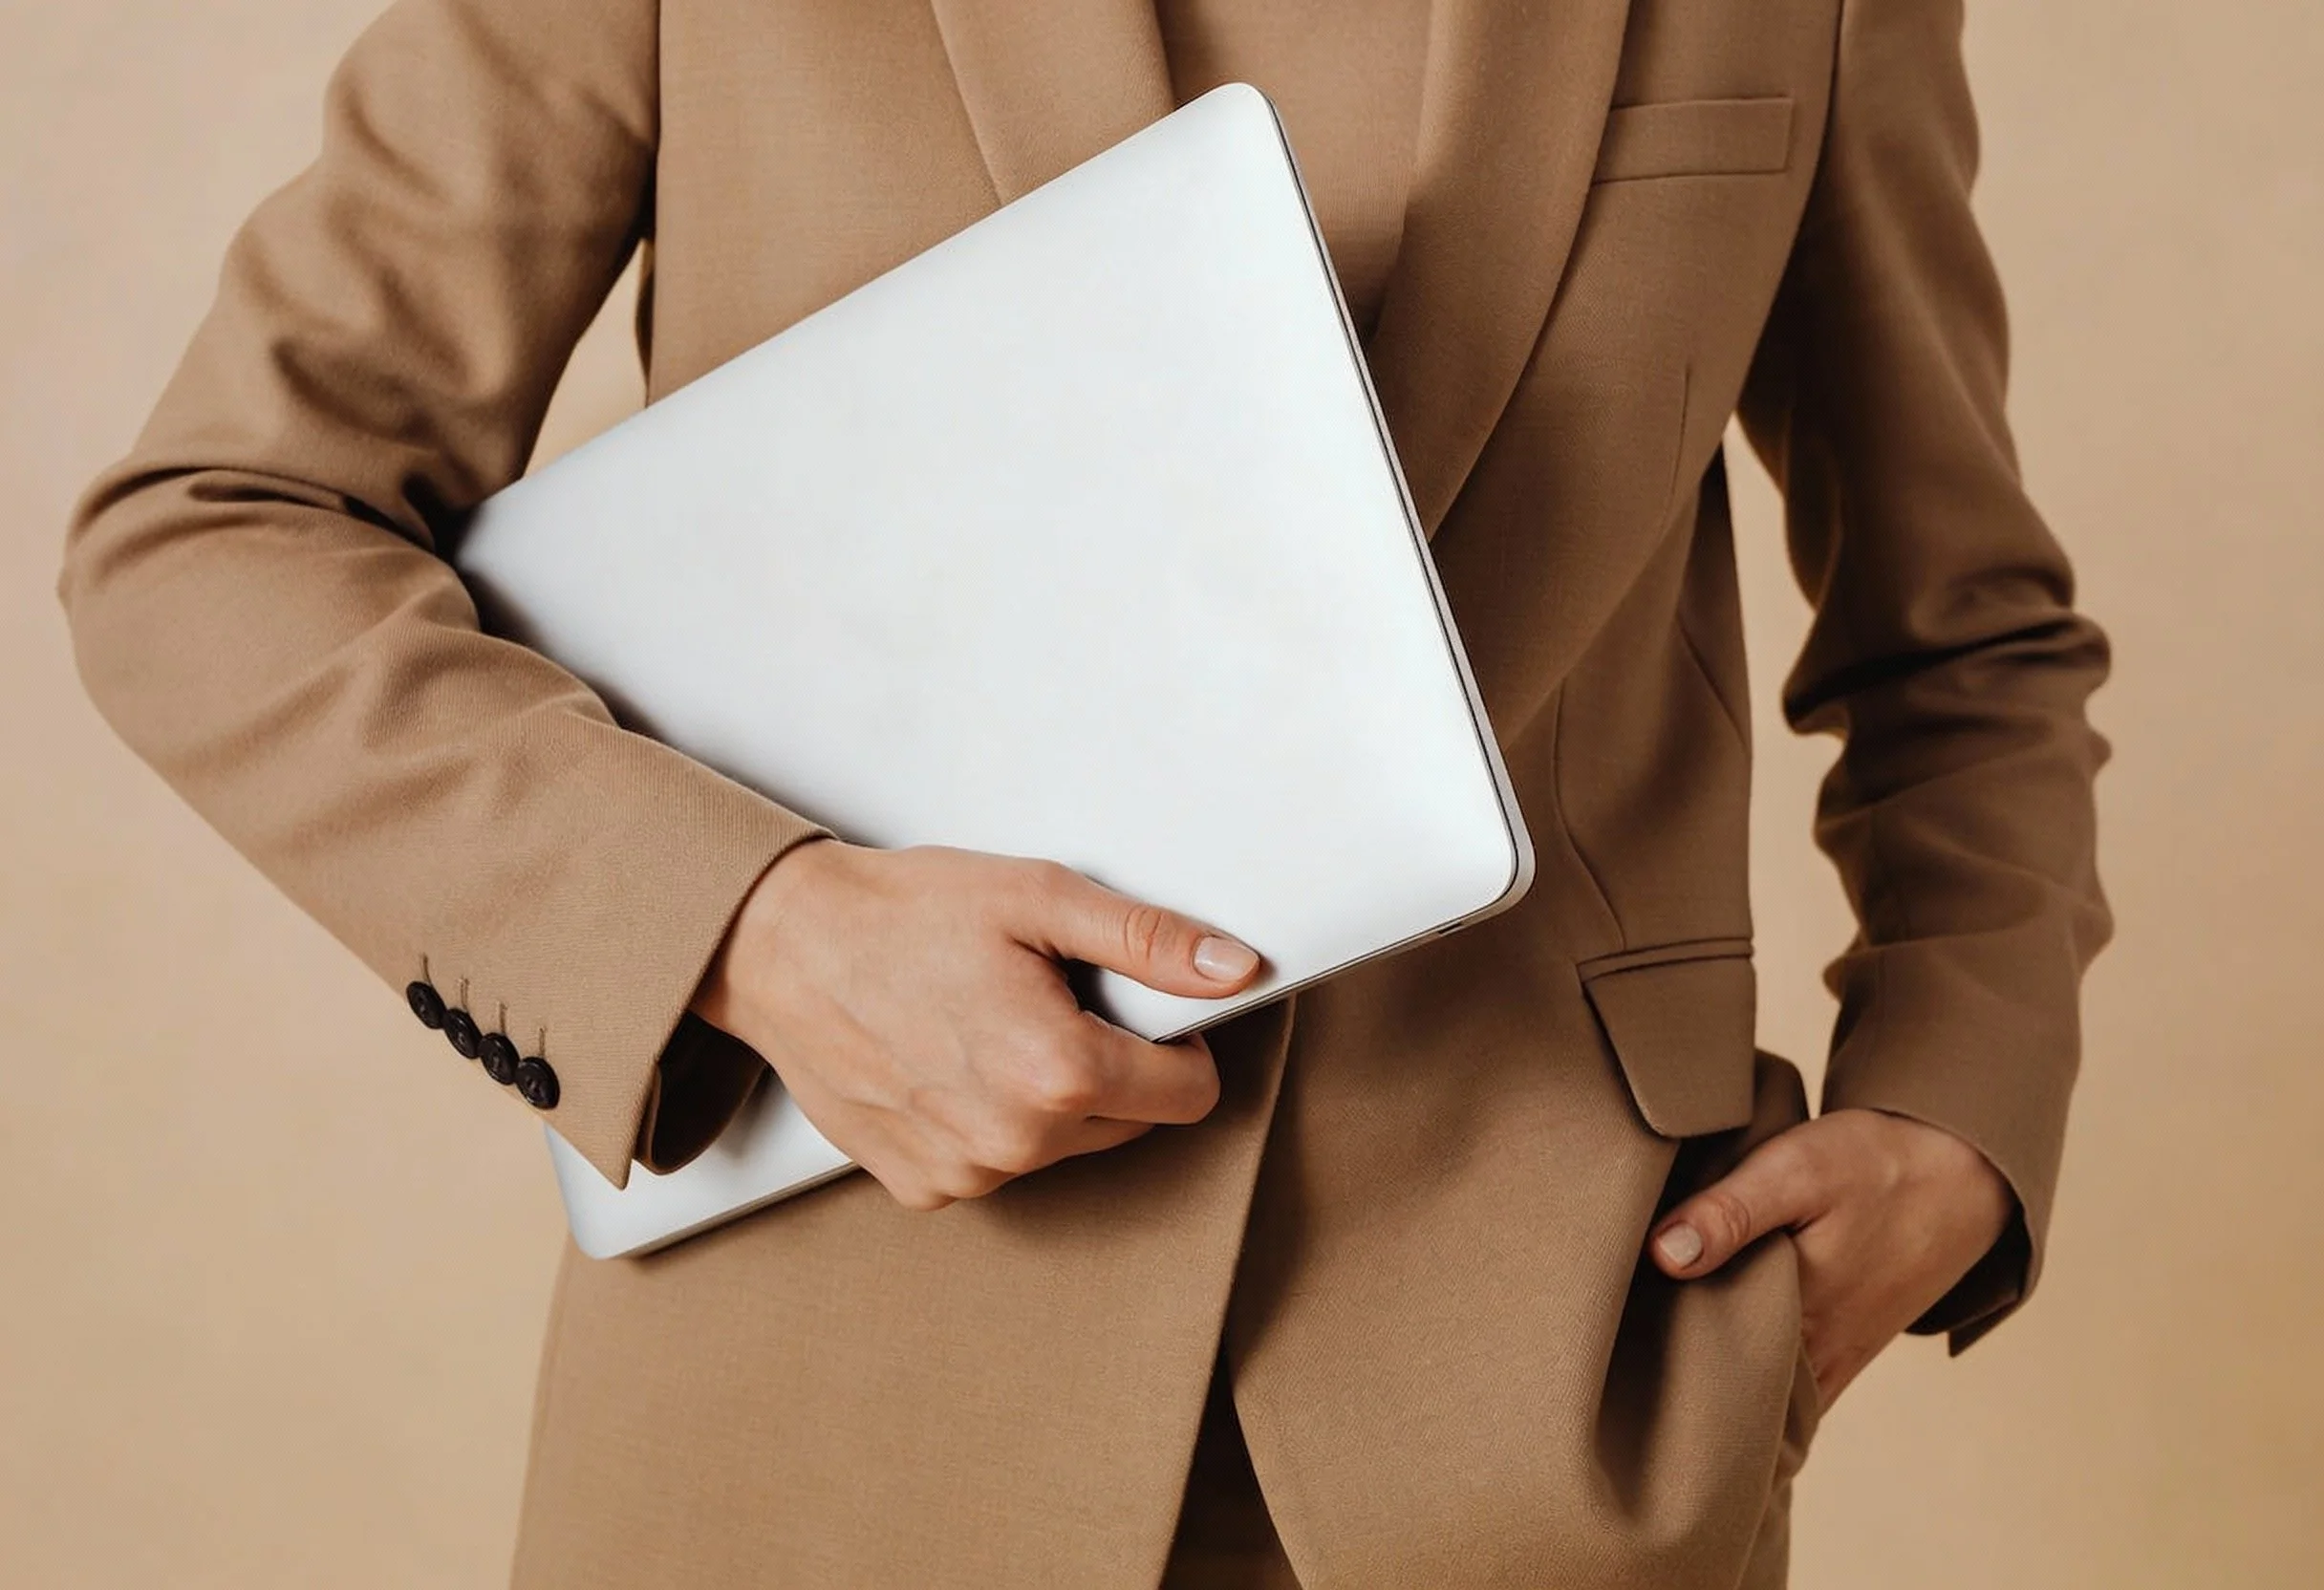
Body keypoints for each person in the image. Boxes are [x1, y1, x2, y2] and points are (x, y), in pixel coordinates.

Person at [59, 0, 2111, 1584]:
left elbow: (1961, 636)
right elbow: (213, 532)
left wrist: (1958, 1112)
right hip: (817, 1425)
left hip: (1554, 1425)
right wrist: (756, 929)